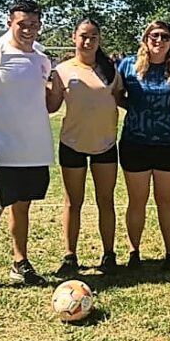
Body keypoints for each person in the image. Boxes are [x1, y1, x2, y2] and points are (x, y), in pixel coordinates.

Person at [0, 0, 64, 299]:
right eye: (22, 24)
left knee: (23, 206)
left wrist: (59, 88)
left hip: (33, 149)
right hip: (0, 149)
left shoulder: (42, 60)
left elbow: (48, 106)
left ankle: (20, 262)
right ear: (10, 23)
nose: (28, 29)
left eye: (34, 24)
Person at [53, 18, 123, 277]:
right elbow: (51, 105)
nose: (88, 41)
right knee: (74, 202)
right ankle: (70, 256)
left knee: (106, 200)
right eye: (83, 36)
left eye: (93, 37)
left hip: (105, 145)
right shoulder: (61, 71)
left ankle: (109, 254)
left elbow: (120, 99)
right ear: (74, 38)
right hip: (72, 144)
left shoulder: (110, 70)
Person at [117, 20, 170, 270]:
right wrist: (137, 110)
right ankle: (134, 252)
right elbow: (117, 95)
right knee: (137, 201)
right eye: (154, 35)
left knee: (166, 201)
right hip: (135, 143)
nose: (159, 40)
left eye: (165, 36)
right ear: (145, 39)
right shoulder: (128, 66)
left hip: (168, 143)